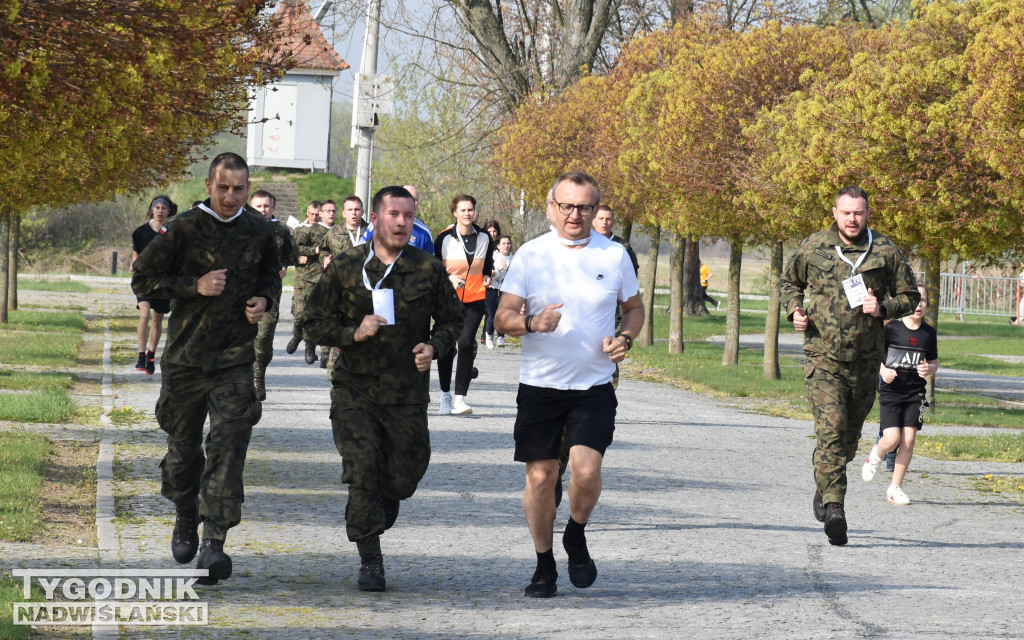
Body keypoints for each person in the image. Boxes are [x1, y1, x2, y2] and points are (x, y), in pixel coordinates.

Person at [303, 185, 463, 592]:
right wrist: (351, 333)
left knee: (404, 476)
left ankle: (383, 501)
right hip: (354, 388)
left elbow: (452, 320)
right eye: (393, 214)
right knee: (362, 469)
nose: (401, 222)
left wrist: (434, 346)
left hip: (406, 393)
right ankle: (370, 559)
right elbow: (313, 322)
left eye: (408, 215)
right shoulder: (346, 265)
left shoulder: (428, 268)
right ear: (375, 219)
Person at [131, 152, 281, 584]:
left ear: (247, 188)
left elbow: (271, 276)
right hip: (185, 360)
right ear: (209, 185)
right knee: (183, 454)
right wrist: (192, 286)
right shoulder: (183, 228)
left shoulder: (260, 230)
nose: (231, 197)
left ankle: (214, 543)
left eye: (239, 189)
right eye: (224, 188)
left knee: (228, 446)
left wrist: (264, 299)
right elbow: (143, 279)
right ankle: (185, 512)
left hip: (234, 360)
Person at [495, 171, 644, 598]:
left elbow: (634, 309)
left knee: (586, 470)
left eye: (584, 207)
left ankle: (575, 533)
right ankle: (544, 565)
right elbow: (503, 317)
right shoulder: (531, 254)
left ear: (596, 211)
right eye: (566, 206)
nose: (574, 214)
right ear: (550, 209)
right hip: (540, 385)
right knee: (542, 478)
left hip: (593, 386)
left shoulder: (614, 255)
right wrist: (531, 322)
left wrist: (625, 338)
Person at [780, 185, 919, 546]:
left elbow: (910, 296)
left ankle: (824, 485)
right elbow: (789, 282)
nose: (852, 219)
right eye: (846, 212)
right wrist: (794, 310)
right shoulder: (814, 246)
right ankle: (835, 509)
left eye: (858, 212)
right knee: (831, 430)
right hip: (823, 358)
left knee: (848, 441)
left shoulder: (884, 250)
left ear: (867, 213)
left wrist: (883, 308)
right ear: (835, 213)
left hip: (865, 361)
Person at [862, 284, 937, 505]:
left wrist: (929, 369)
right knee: (892, 439)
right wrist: (883, 371)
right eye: (915, 300)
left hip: (915, 393)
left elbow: (934, 362)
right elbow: (873, 355)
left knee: (909, 440)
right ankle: (876, 454)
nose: (919, 305)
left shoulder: (929, 333)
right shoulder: (891, 328)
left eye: (923, 300)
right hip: (892, 392)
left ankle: (894, 488)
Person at [434, 195, 494, 415]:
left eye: (470, 210)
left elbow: (487, 264)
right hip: (448, 299)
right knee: (448, 345)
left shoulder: (485, 237)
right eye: (463, 210)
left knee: (466, 342)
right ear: (455, 213)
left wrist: (487, 276)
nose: (467, 214)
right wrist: (448, 278)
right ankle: (445, 395)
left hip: (476, 298)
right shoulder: (444, 238)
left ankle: (461, 398)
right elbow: (435, 268)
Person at [251, 189, 298, 401]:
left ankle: (259, 375)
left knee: (264, 336)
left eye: (266, 206)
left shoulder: (281, 230)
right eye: (258, 206)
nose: (262, 210)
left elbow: (292, 254)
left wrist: (284, 265)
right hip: (243, 289)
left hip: (270, 290)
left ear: (273, 208)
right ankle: (244, 378)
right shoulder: (241, 227)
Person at [320, 196, 369, 370]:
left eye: (357, 209)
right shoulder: (334, 233)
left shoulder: (372, 232)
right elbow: (323, 250)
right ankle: (334, 372)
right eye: (350, 210)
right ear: (343, 213)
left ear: (363, 211)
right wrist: (324, 259)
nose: (354, 213)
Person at [130, 195, 176, 375]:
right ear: (152, 209)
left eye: (164, 208)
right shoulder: (140, 232)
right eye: (157, 207)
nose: (160, 211)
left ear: (169, 211)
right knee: (145, 314)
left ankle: (151, 354)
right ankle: (141, 355)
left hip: (163, 281)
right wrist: (134, 264)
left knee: (157, 320)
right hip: (143, 280)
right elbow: (136, 254)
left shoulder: (173, 231)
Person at [296, 200, 335, 366]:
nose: (331, 214)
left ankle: (325, 353)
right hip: (310, 278)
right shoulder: (308, 230)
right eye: (328, 211)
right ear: (321, 213)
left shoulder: (339, 231)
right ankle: (306, 342)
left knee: (328, 314)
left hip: (331, 279)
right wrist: (314, 251)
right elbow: (296, 248)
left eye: (333, 211)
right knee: (305, 314)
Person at [286, 201, 321, 358]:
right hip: (302, 278)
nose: (314, 217)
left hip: (319, 278)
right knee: (299, 314)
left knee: (314, 314)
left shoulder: (326, 230)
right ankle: (297, 335)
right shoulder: (300, 229)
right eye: (311, 213)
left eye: (317, 214)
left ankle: (310, 345)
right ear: (307, 212)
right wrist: (301, 256)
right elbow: (291, 251)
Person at [362, 184, 434, 253]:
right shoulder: (377, 224)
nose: (411, 202)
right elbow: (362, 252)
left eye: (415, 199)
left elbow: (430, 259)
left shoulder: (424, 232)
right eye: (407, 196)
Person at [591, 205, 640, 274]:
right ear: (593, 222)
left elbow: (632, 272)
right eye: (601, 219)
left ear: (613, 222)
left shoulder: (623, 246)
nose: (604, 222)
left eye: (608, 219)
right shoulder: (584, 244)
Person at [485, 235, 513, 348]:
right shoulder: (493, 258)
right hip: (492, 288)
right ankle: (489, 335)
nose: (506, 246)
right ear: (498, 246)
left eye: (508, 243)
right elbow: (488, 274)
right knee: (492, 315)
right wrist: (497, 269)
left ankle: (501, 336)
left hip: (505, 290)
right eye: (503, 243)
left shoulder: (514, 259)